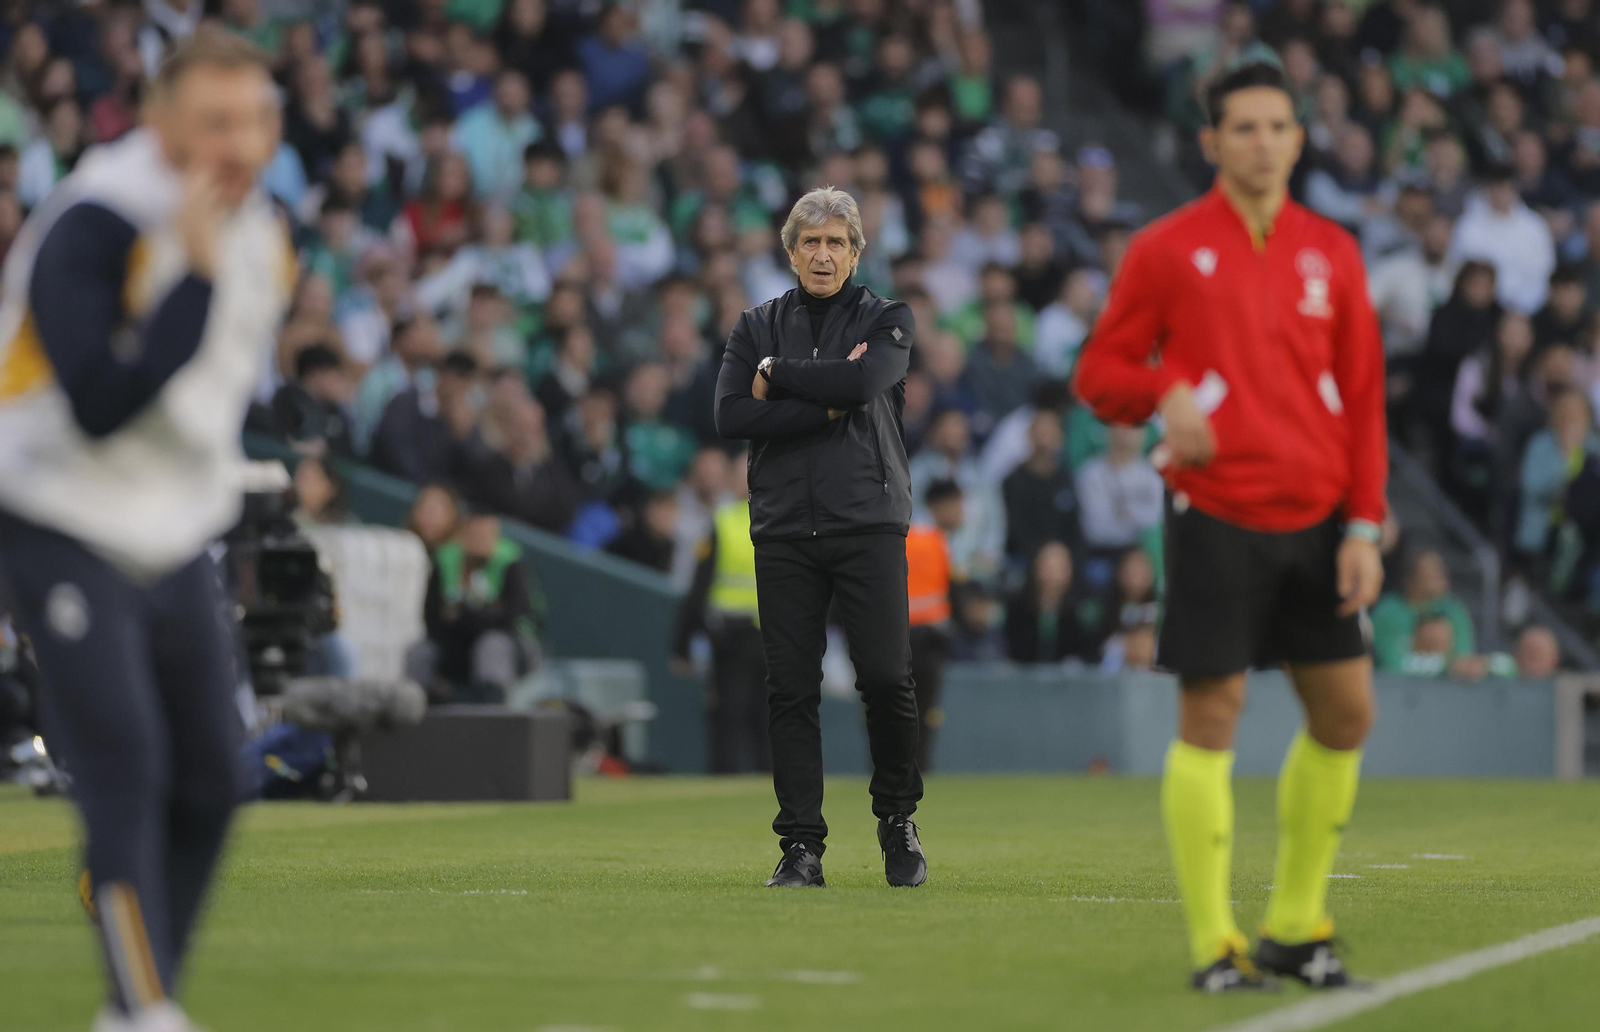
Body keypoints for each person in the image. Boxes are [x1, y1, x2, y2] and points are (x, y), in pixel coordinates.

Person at [0, 31, 291, 1031]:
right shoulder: (97, 216)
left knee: (215, 777)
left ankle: (135, 987)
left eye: (256, 120)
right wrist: (197, 283)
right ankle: (140, 1006)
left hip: (173, 528)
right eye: (214, 122)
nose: (240, 143)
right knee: (127, 762)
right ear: (158, 122)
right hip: (55, 510)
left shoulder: (260, 228)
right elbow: (97, 403)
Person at [1075, 62, 1387, 993]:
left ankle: (1295, 928)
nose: (1261, 142)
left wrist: (1365, 525)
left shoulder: (1333, 249)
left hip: (1322, 518)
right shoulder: (1167, 249)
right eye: (1242, 128)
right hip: (1214, 513)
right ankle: (1215, 946)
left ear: (1298, 137)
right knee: (1213, 715)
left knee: (1347, 713)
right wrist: (1160, 391)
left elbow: (1365, 398)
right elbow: (1099, 372)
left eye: (1276, 126)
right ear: (1211, 142)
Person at [714, 186, 925, 890]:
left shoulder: (888, 318)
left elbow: (866, 380)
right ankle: (801, 846)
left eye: (837, 242)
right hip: (783, 530)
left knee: (888, 679)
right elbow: (731, 415)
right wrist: (824, 401)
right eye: (812, 242)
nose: (824, 254)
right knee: (791, 689)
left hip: (865, 519)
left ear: (857, 252)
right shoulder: (754, 324)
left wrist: (779, 377)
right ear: (791, 250)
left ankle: (898, 819)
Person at [673, 458, 768, 774]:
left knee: (727, 716)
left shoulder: (723, 521)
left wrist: (682, 643)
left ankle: (724, 780)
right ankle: (777, 790)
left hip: (732, 636)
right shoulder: (783, 518)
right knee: (770, 719)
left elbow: (699, 588)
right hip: (772, 635)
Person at [413, 510, 542, 703]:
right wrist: (478, 615)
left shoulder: (511, 560)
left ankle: (491, 715)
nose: (480, 539)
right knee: (420, 651)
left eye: (486, 533)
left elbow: (512, 617)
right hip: (456, 643)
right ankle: (418, 712)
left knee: (491, 645)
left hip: (514, 645)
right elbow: (432, 617)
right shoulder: (446, 558)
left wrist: (464, 615)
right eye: (474, 533)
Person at [906, 479, 962, 771]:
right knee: (923, 713)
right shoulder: (932, 540)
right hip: (925, 639)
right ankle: (919, 771)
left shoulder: (904, 533)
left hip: (899, 636)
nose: (962, 512)